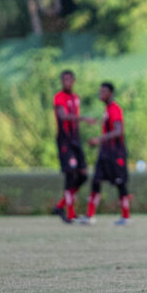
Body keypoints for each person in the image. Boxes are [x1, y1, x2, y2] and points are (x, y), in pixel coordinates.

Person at [80, 82, 131, 226]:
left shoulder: (115, 109)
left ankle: (126, 217)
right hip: (105, 153)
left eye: (103, 91)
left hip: (116, 153)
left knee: (120, 183)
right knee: (96, 180)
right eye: (100, 91)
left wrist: (99, 139)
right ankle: (90, 216)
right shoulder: (107, 109)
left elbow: (118, 130)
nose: (100, 93)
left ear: (110, 93)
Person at [52, 70, 95, 224]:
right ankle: (70, 213)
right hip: (65, 141)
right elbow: (63, 116)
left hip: (76, 140)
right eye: (64, 80)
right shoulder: (59, 98)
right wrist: (83, 118)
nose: (66, 82)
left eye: (69, 80)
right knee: (70, 174)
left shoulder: (76, 98)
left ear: (74, 81)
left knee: (83, 175)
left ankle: (60, 206)